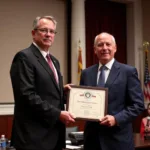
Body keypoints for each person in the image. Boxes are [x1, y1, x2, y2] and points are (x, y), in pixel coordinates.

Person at [10, 16, 75, 150]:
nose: (48, 34)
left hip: (54, 134)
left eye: (52, 31)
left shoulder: (54, 61)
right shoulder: (24, 57)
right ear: (34, 33)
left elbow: (45, 91)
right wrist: (58, 114)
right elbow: (26, 95)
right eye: (44, 30)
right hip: (33, 137)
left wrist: (63, 92)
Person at [80, 32, 145, 150]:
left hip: (118, 141)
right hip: (92, 141)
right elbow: (83, 100)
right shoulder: (86, 73)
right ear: (95, 50)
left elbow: (138, 105)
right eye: (100, 45)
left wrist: (116, 119)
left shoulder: (128, 72)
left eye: (108, 44)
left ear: (115, 48)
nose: (104, 48)